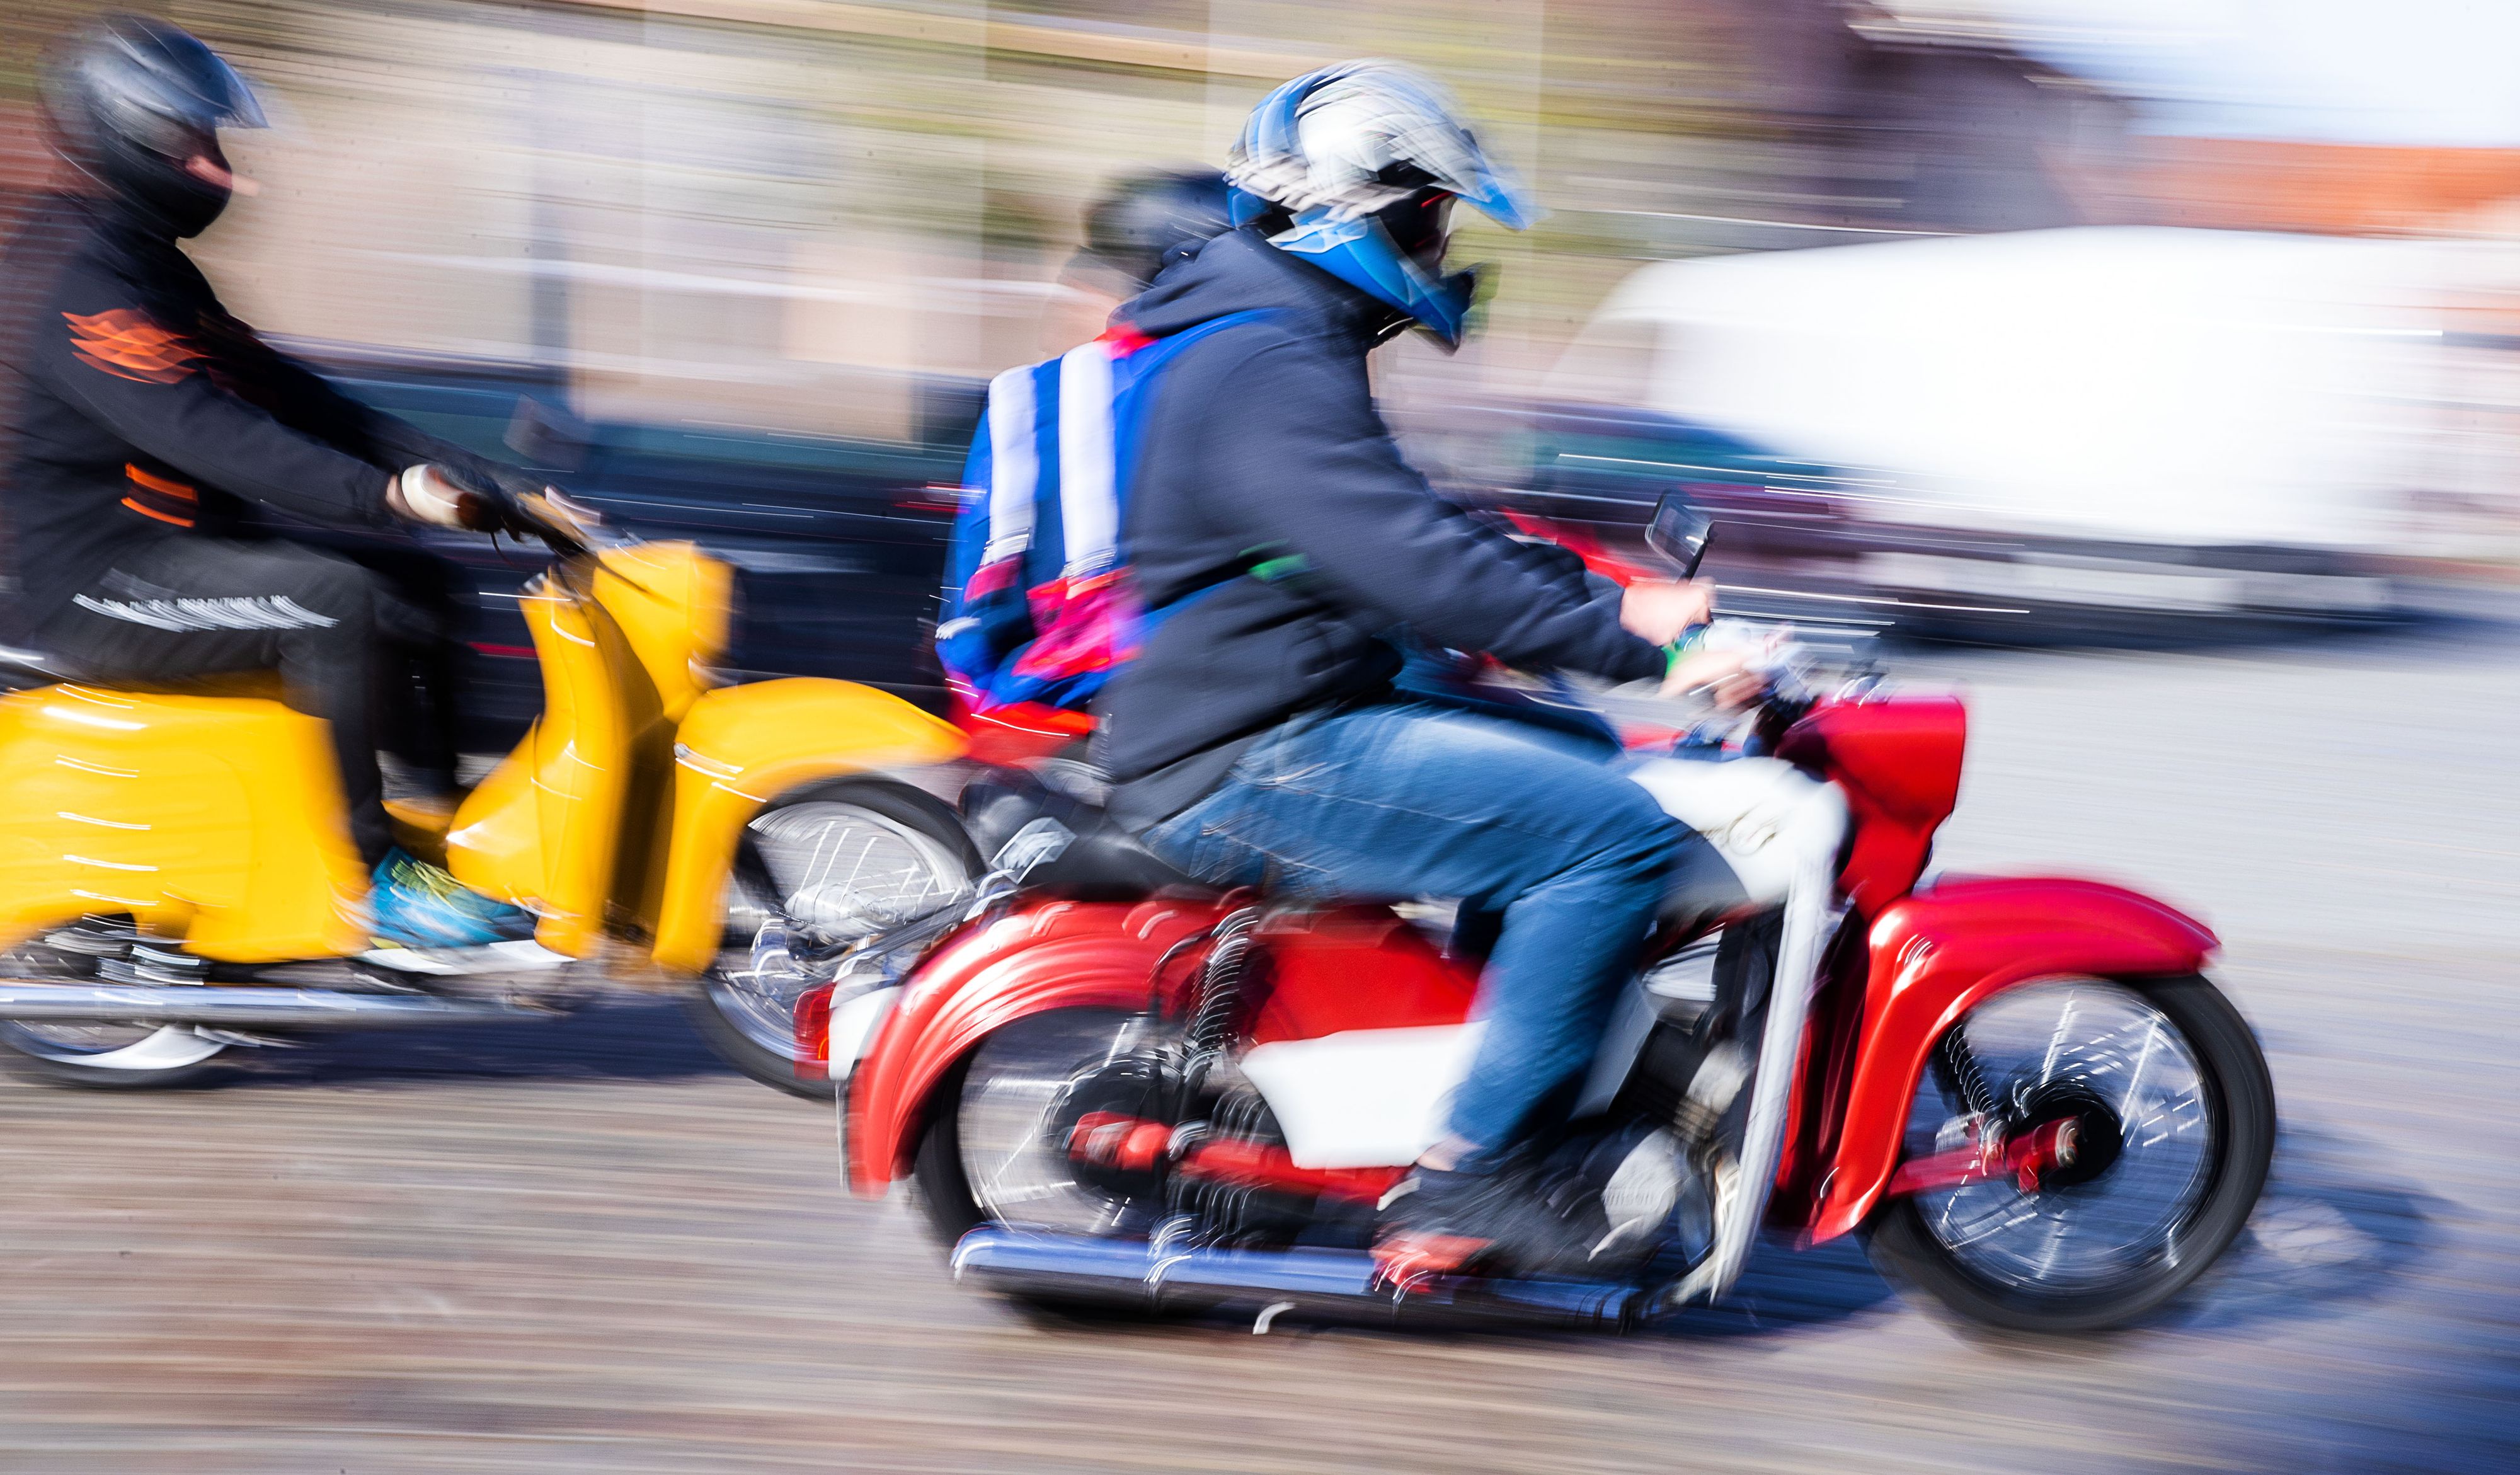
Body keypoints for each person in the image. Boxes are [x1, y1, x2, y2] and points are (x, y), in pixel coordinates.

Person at [1096, 60, 1753, 1274]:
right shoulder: (1268, 362)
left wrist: (1620, 602)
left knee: (1585, 757)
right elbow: (1421, 569)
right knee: (1609, 836)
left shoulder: (1277, 340)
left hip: (1280, 713)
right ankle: (1470, 1174)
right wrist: (1639, 643)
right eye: (1431, 214)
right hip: (1253, 753)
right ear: (1362, 207)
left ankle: (1528, 1072)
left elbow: (1428, 535)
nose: (1440, 244)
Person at [0, 14, 534, 950]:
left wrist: (479, 478)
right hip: (101, 584)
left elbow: (289, 394)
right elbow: (209, 433)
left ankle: (438, 833)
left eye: (216, 145)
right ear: (123, 143)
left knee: (422, 584)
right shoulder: (86, 282)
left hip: (176, 554)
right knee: (333, 599)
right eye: (191, 147)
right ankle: (374, 881)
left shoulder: (150, 269)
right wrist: (387, 495)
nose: (221, 172)